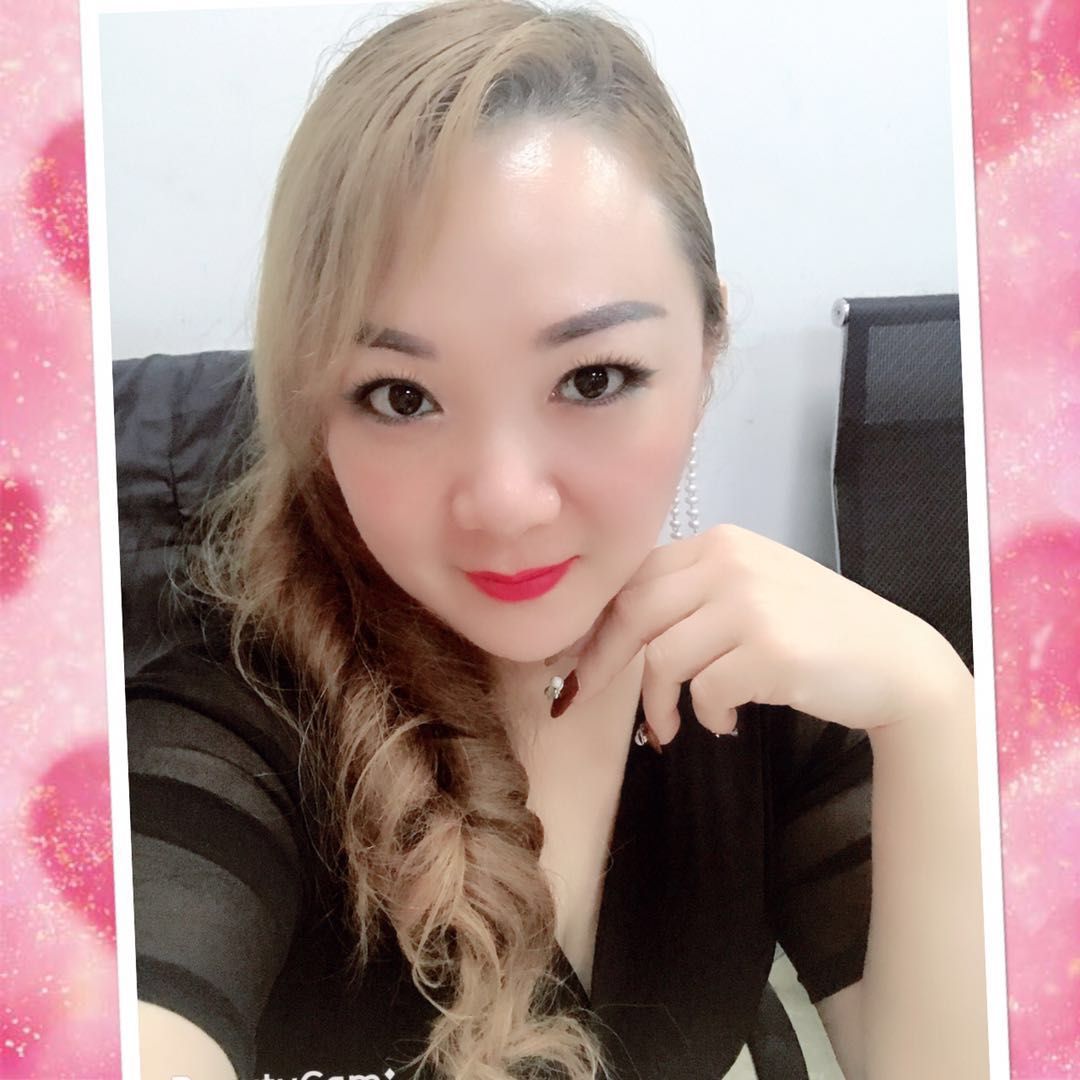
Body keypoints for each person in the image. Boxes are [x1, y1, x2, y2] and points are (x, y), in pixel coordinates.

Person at [126, 1, 989, 1078]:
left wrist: (934, 705)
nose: (505, 503)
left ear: (707, 348)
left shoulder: (763, 702)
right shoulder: (222, 741)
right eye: (400, 395)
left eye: (592, 378)